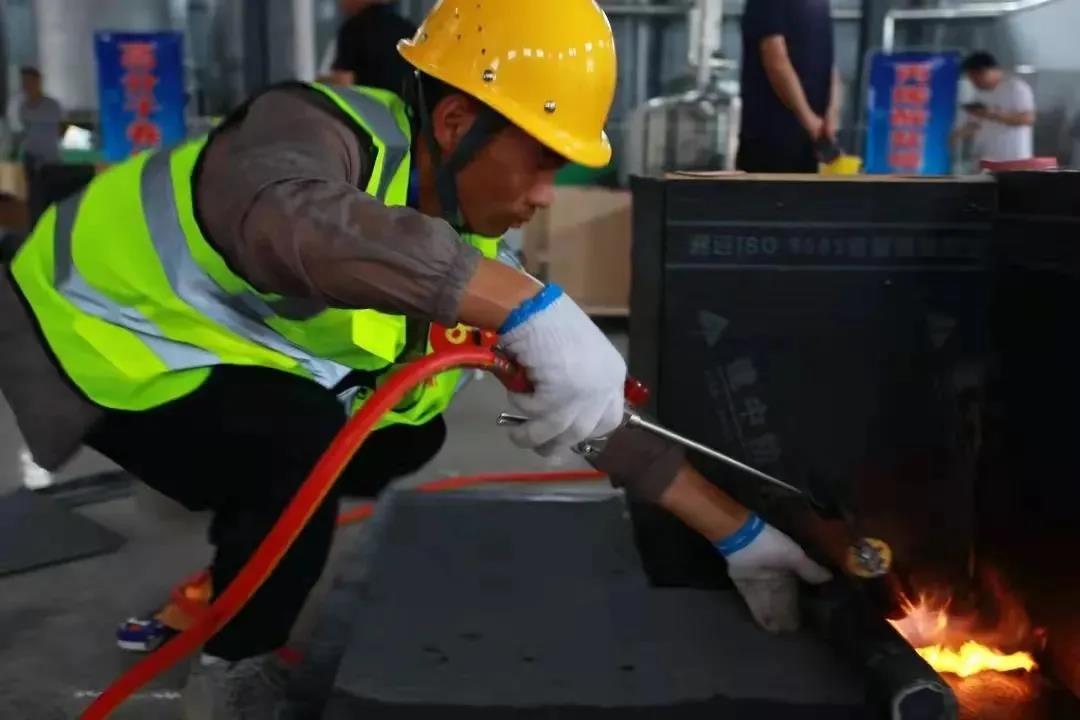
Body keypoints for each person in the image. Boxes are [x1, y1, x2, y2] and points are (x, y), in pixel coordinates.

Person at [0, 2, 830, 717]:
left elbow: (583, 408)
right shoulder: (308, 129)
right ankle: (234, 668)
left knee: (405, 433)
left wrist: (739, 533)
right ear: (458, 124)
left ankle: (246, 511)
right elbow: (289, 220)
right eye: (542, 159)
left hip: (213, 349)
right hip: (80, 327)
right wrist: (528, 308)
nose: (547, 194)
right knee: (303, 438)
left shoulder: (475, 242)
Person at [737, 0, 840, 173]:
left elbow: (829, 64)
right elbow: (775, 60)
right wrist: (810, 120)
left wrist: (832, 113)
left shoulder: (820, 4)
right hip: (772, 137)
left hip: (813, 139)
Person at [954, 51, 1036, 164]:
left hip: (1013, 159)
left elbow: (1028, 119)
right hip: (987, 159)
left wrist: (991, 114)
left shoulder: (1015, 88)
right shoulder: (981, 93)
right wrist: (957, 135)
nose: (974, 84)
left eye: (974, 79)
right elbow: (975, 124)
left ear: (984, 72)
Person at [325, 0, 417, 94]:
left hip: (366, 102)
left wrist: (319, 84)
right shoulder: (410, 30)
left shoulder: (353, 29)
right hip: (402, 102)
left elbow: (344, 81)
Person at [8, 67, 63, 187]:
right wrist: (14, 149)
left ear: (38, 82)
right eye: (25, 82)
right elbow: (26, 131)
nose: (27, 85)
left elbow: (59, 130)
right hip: (30, 156)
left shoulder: (52, 105)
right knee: (31, 189)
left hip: (49, 158)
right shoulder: (23, 108)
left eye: (30, 81)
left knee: (51, 188)